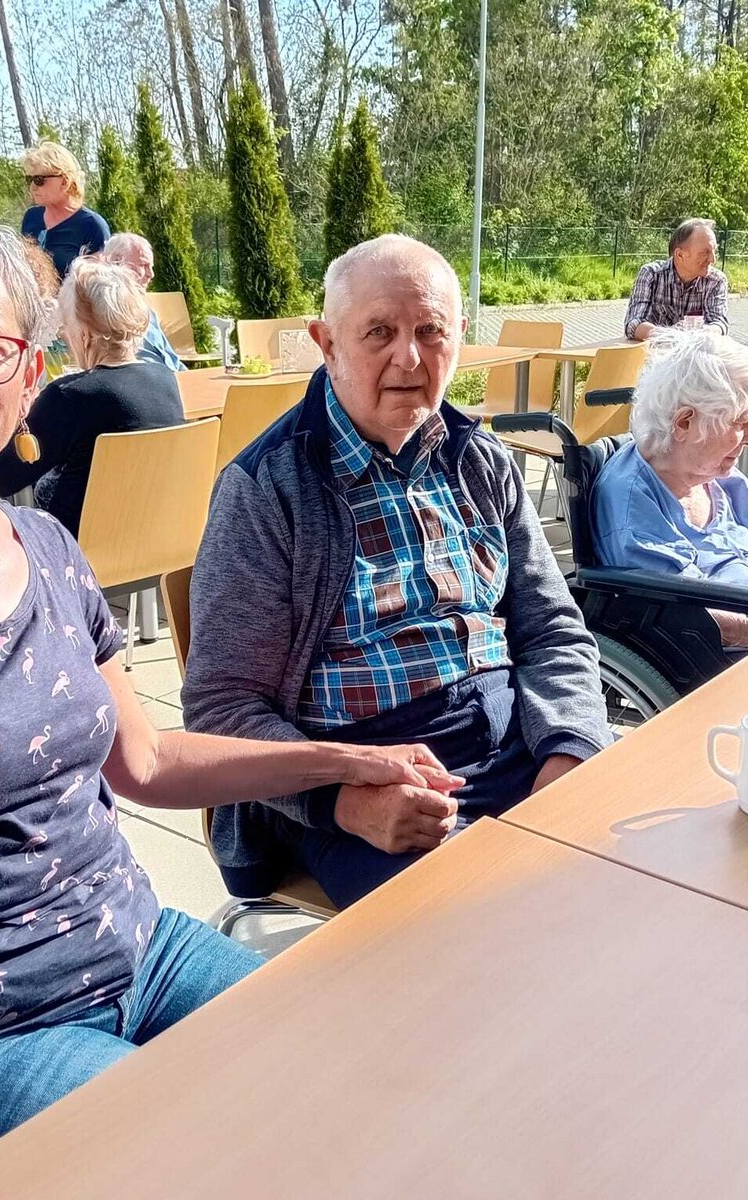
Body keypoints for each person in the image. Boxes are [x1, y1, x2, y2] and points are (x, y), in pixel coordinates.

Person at [0, 213, 458, 1194]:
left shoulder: (48, 548)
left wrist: (340, 760)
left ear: (30, 376)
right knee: (220, 1169)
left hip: (142, 951)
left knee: (371, 1069)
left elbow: (145, 761)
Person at [181, 233, 613, 909]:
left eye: (430, 331)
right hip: (358, 784)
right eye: (379, 332)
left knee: (651, 882)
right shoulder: (267, 490)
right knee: (487, 934)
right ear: (326, 342)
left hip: (519, 747)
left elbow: (553, 630)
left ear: (459, 337)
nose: (408, 358)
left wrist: (569, 752)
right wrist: (345, 799)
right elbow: (222, 709)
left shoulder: (481, 461)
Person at [594, 330, 748, 649]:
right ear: (684, 423)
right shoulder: (634, 505)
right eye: (739, 423)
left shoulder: (716, 473)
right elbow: (692, 616)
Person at [0, 258, 184, 532]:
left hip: (73, 547)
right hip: (156, 538)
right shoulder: (165, 380)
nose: (64, 334)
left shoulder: (71, 396)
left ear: (84, 333)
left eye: (66, 324)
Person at [19, 142, 111, 286]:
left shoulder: (92, 225)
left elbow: (98, 286)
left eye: (39, 180)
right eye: (29, 180)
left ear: (64, 181)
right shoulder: (31, 217)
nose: (32, 187)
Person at [624, 217, 730, 340]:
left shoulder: (716, 281)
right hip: (654, 351)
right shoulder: (651, 275)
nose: (712, 259)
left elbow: (719, 323)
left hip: (696, 350)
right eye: (704, 253)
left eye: (714, 251)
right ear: (680, 255)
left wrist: (706, 333)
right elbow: (633, 324)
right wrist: (673, 338)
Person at [100, 232, 184, 371]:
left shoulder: (146, 311)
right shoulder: (102, 313)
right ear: (116, 262)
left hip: (170, 377)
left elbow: (172, 361)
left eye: (151, 267)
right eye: (144, 265)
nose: (151, 274)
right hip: (147, 379)